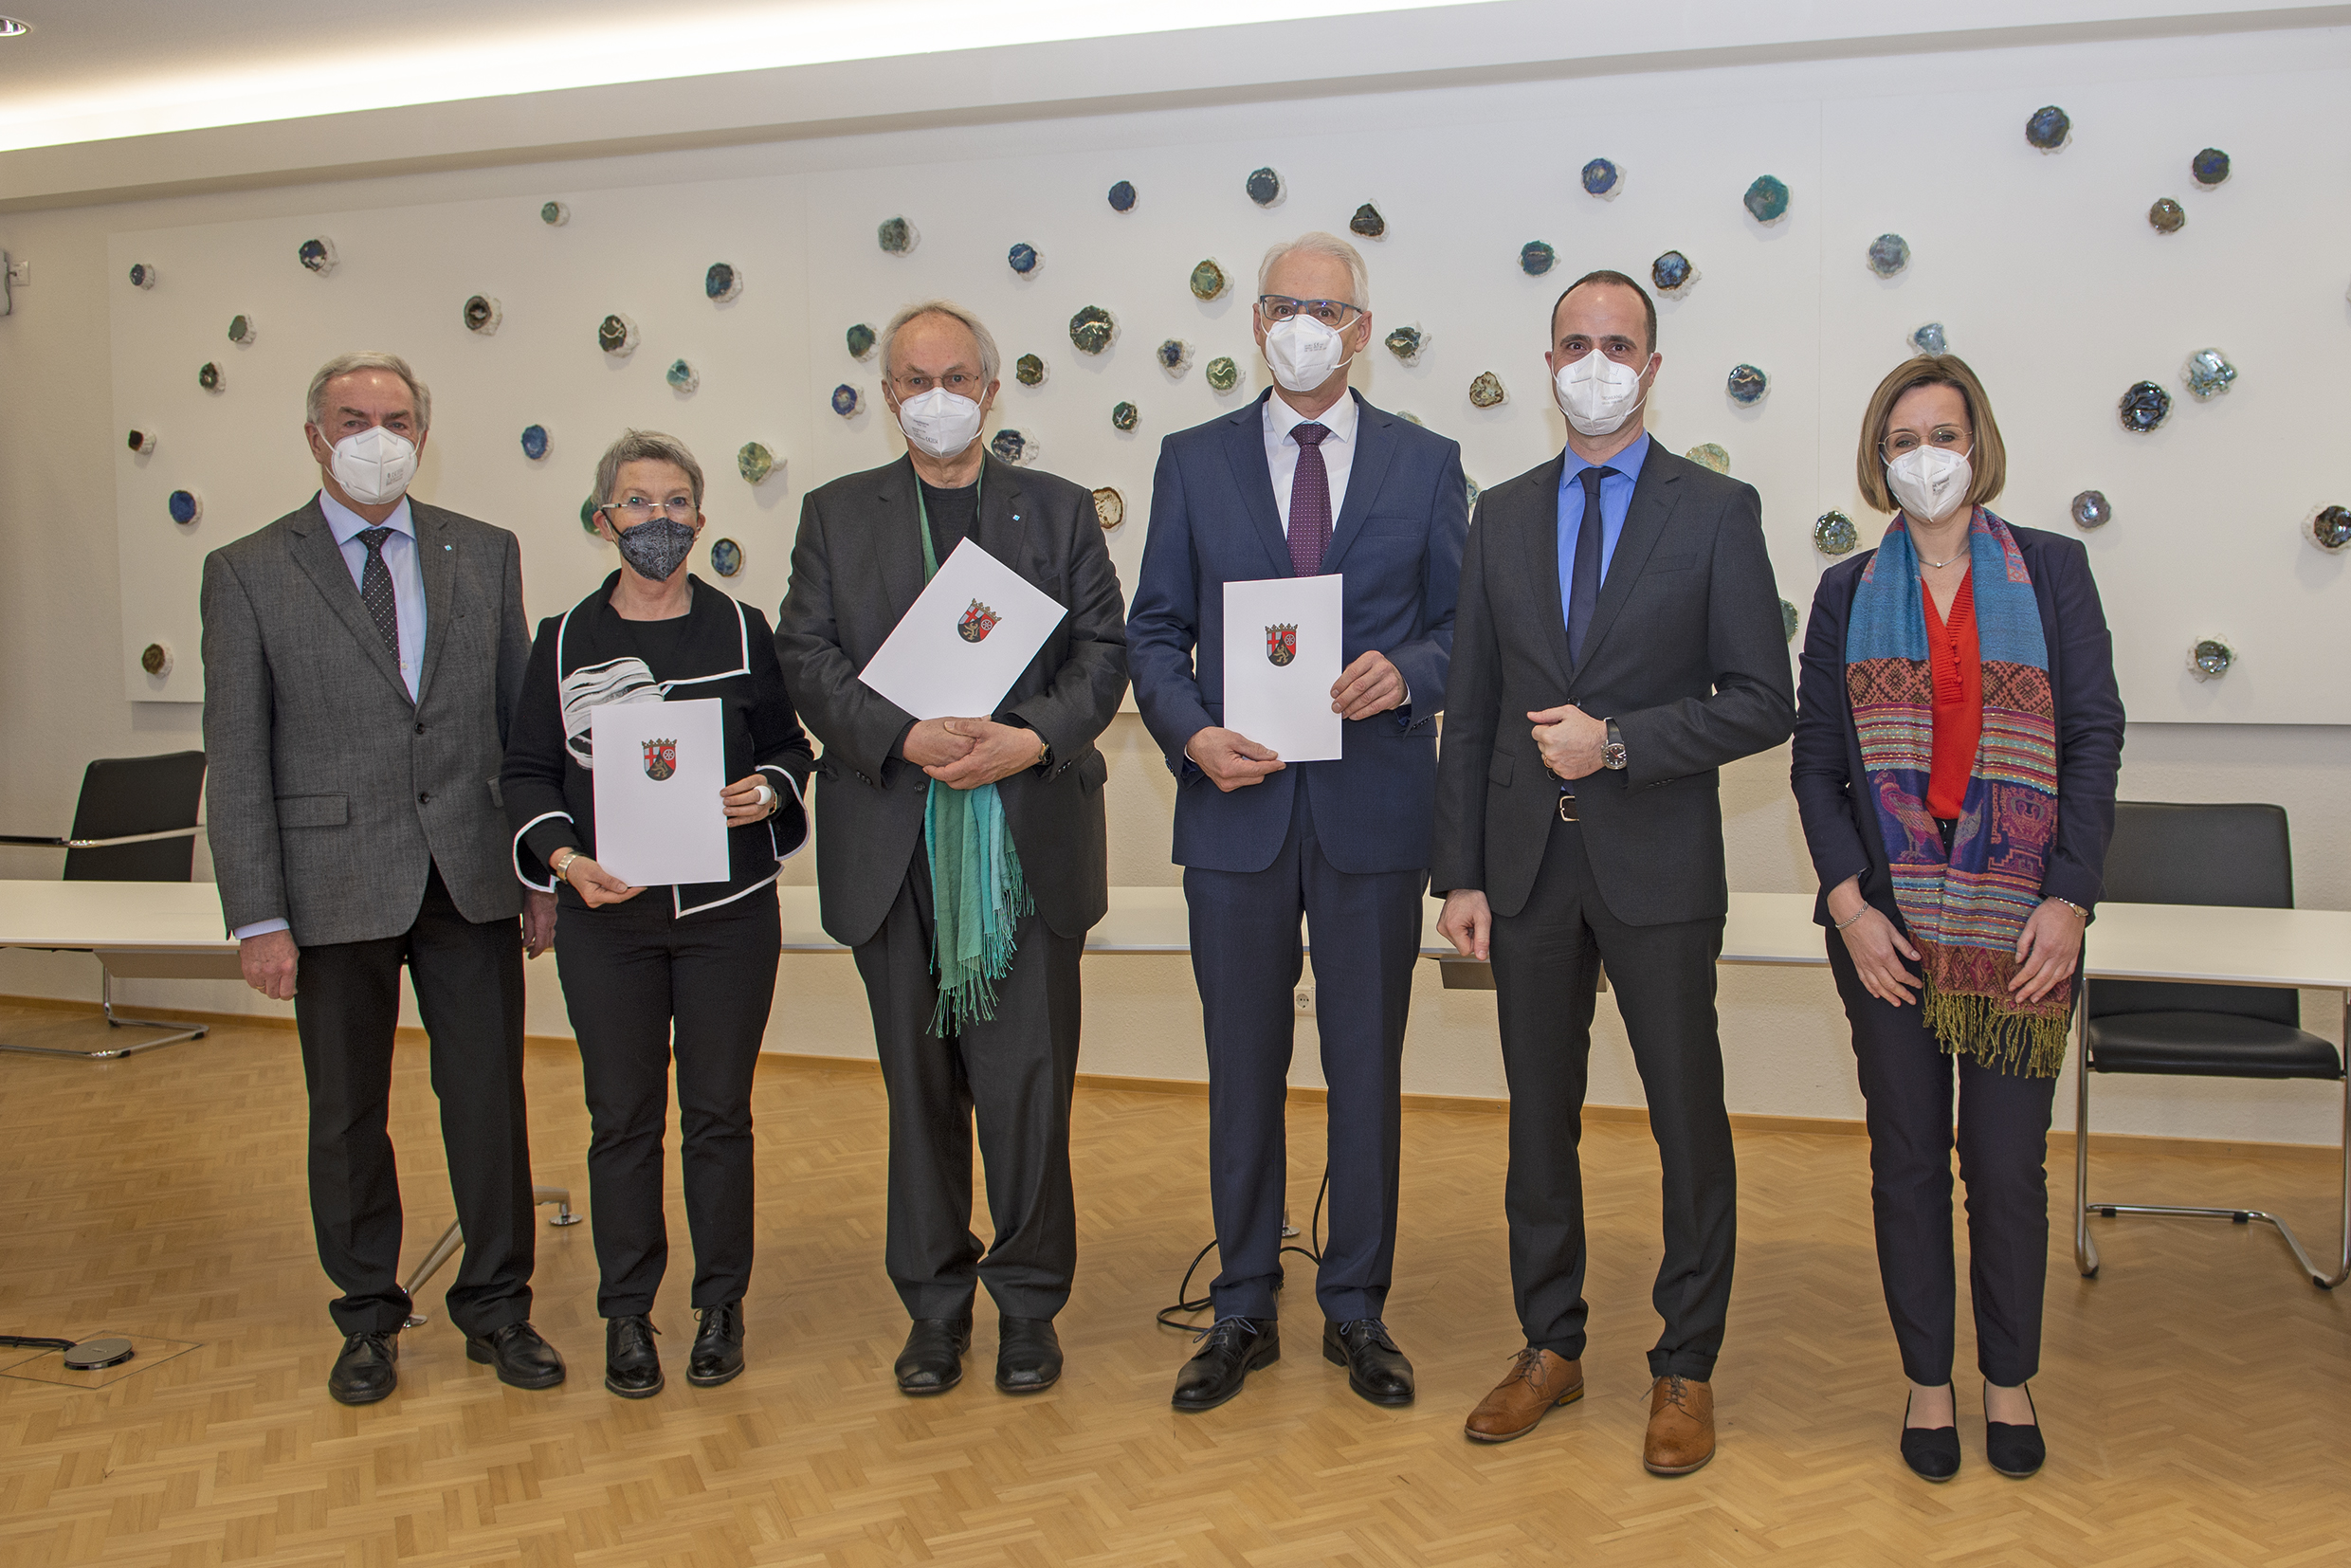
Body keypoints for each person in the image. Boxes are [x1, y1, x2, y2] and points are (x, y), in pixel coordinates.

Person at [1431, 271, 1793, 1475]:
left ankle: (1684, 1362)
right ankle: (1550, 1344)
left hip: (1658, 866)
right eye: (1574, 343)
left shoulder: (1715, 510)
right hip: (1524, 870)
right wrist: (1459, 874)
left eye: (1617, 345)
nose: (1594, 363)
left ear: (1650, 366)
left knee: (1686, 1119)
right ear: (1548, 363)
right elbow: (1472, 703)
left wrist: (1620, 743)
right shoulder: (1501, 515)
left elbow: (1762, 699)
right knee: (1537, 1123)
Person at [1128, 231, 1467, 1413]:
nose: (1304, 326)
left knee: (1365, 1066)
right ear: (1255, 320)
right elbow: (1151, 632)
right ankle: (1239, 1301)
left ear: (1362, 329)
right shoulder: (1191, 461)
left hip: (1373, 812)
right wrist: (1189, 733)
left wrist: (1409, 672)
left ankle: (1356, 1304)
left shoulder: (1426, 462)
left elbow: (1464, 626)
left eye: (1327, 309)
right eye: (1284, 305)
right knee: (1241, 1068)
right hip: (1236, 812)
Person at [774, 300, 1128, 1398]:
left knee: (1028, 1093)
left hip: (1027, 844)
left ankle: (1027, 1306)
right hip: (893, 847)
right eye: (915, 379)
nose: (937, 397)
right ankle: (933, 1310)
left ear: (989, 387)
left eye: (956, 377)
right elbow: (805, 654)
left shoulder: (1057, 510)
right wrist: (900, 735)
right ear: (889, 395)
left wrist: (1029, 738)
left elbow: (1104, 652)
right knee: (917, 1095)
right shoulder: (836, 514)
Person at [201, 351, 563, 1405]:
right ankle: (367, 1314)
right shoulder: (247, 569)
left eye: (396, 418)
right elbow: (239, 754)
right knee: (348, 1111)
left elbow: (519, 730)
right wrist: (258, 917)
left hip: (470, 872)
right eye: (352, 417)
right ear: (314, 436)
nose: (376, 436)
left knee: (487, 1101)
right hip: (329, 882)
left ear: (423, 433)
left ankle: (498, 1307)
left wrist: (538, 869)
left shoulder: (482, 550)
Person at [1791, 356, 2122, 1482]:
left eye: (1942, 433)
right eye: (1901, 440)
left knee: (2004, 1165)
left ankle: (2006, 1378)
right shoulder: (1844, 591)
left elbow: (2091, 737)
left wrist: (2068, 898)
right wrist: (1846, 905)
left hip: (2022, 922)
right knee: (1904, 1161)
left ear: (1976, 444)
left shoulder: (2052, 570)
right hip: (1884, 927)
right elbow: (1815, 765)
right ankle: (1927, 1380)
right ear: (1877, 459)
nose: (1923, 456)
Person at [501, 430, 814, 1399]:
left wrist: (768, 789)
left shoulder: (742, 629)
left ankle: (720, 1305)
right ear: (604, 519)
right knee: (622, 1119)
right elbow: (526, 772)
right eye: (638, 502)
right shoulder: (561, 639)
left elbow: (789, 748)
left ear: (701, 519)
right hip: (609, 920)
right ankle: (626, 1313)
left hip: (729, 916)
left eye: (676, 502)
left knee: (718, 1115)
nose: (658, 520)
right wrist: (564, 860)